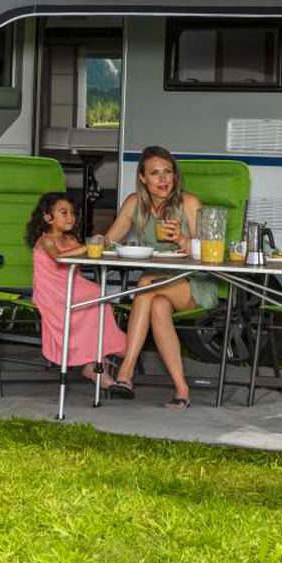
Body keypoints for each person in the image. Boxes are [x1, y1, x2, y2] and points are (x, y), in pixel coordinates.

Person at [99, 145, 217, 409]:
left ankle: (125, 373)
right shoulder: (134, 203)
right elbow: (109, 241)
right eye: (155, 173)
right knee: (158, 305)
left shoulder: (188, 203)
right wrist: (96, 242)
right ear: (142, 177)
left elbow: (209, 252)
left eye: (168, 172)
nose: (163, 179)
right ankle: (182, 390)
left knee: (145, 284)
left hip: (194, 281)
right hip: (156, 284)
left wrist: (181, 238)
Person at [26, 191, 127, 386]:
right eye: (64, 212)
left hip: (73, 286)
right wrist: (89, 245)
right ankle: (104, 353)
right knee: (95, 295)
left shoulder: (71, 241)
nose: (71, 217)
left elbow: (83, 256)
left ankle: (95, 361)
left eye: (72, 213)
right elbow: (59, 258)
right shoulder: (46, 240)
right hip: (52, 292)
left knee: (97, 296)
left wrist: (101, 248)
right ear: (48, 217)